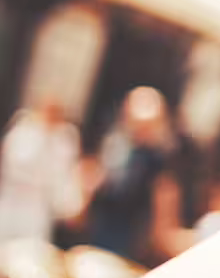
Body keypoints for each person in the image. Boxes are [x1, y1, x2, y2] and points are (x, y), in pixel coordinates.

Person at [83, 87, 187, 266]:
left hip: (129, 241)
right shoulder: (116, 146)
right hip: (100, 230)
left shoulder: (160, 161)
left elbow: (163, 207)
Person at [0, 98, 83, 245]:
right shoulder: (24, 129)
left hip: (38, 205)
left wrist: (71, 205)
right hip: (13, 197)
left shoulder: (65, 138)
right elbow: (13, 161)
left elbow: (64, 175)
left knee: (30, 247)